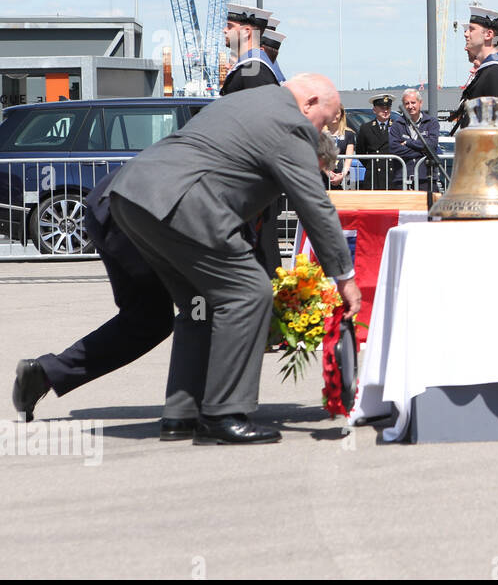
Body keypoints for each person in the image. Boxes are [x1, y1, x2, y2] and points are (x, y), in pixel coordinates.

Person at [12, 132, 343, 435]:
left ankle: (46, 373)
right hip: (139, 216)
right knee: (202, 306)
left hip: (113, 206)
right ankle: (205, 409)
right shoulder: (256, 169)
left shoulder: (252, 151)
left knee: (147, 320)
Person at [106, 74, 361, 445]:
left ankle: (181, 414)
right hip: (184, 205)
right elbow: (315, 206)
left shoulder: (246, 101)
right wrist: (344, 276)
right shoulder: (290, 123)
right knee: (249, 292)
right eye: (328, 118)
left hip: (135, 196)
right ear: (309, 103)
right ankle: (224, 414)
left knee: (199, 305)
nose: (326, 129)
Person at [220, 3, 277, 95]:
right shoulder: (249, 67)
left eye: (230, 26)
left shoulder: (254, 71)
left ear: (246, 32)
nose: (225, 30)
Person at [389, 88, 440, 192]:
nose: (410, 106)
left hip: (426, 178)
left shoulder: (432, 122)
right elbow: (394, 149)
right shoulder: (396, 125)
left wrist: (408, 143)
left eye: (413, 102)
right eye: (406, 103)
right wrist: (422, 151)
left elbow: (432, 145)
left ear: (420, 103)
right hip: (402, 179)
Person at [356, 94, 400, 190]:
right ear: (374, 110)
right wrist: (371, 165)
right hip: (373, 174)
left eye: (388, 108)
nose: (385, 111)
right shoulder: (366, 128)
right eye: (382, 108)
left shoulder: (397, 127)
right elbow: (360, 151)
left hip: (392, 174)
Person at [322, 109, 356, 191]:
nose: (334, 116)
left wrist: (342, 174)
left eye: (337, 113)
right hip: (322, 175)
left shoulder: (349, 134)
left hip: (340, 177)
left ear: (341, 115)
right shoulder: (320, 133)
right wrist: (329, 174)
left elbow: (349, 157)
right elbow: (319, 155)